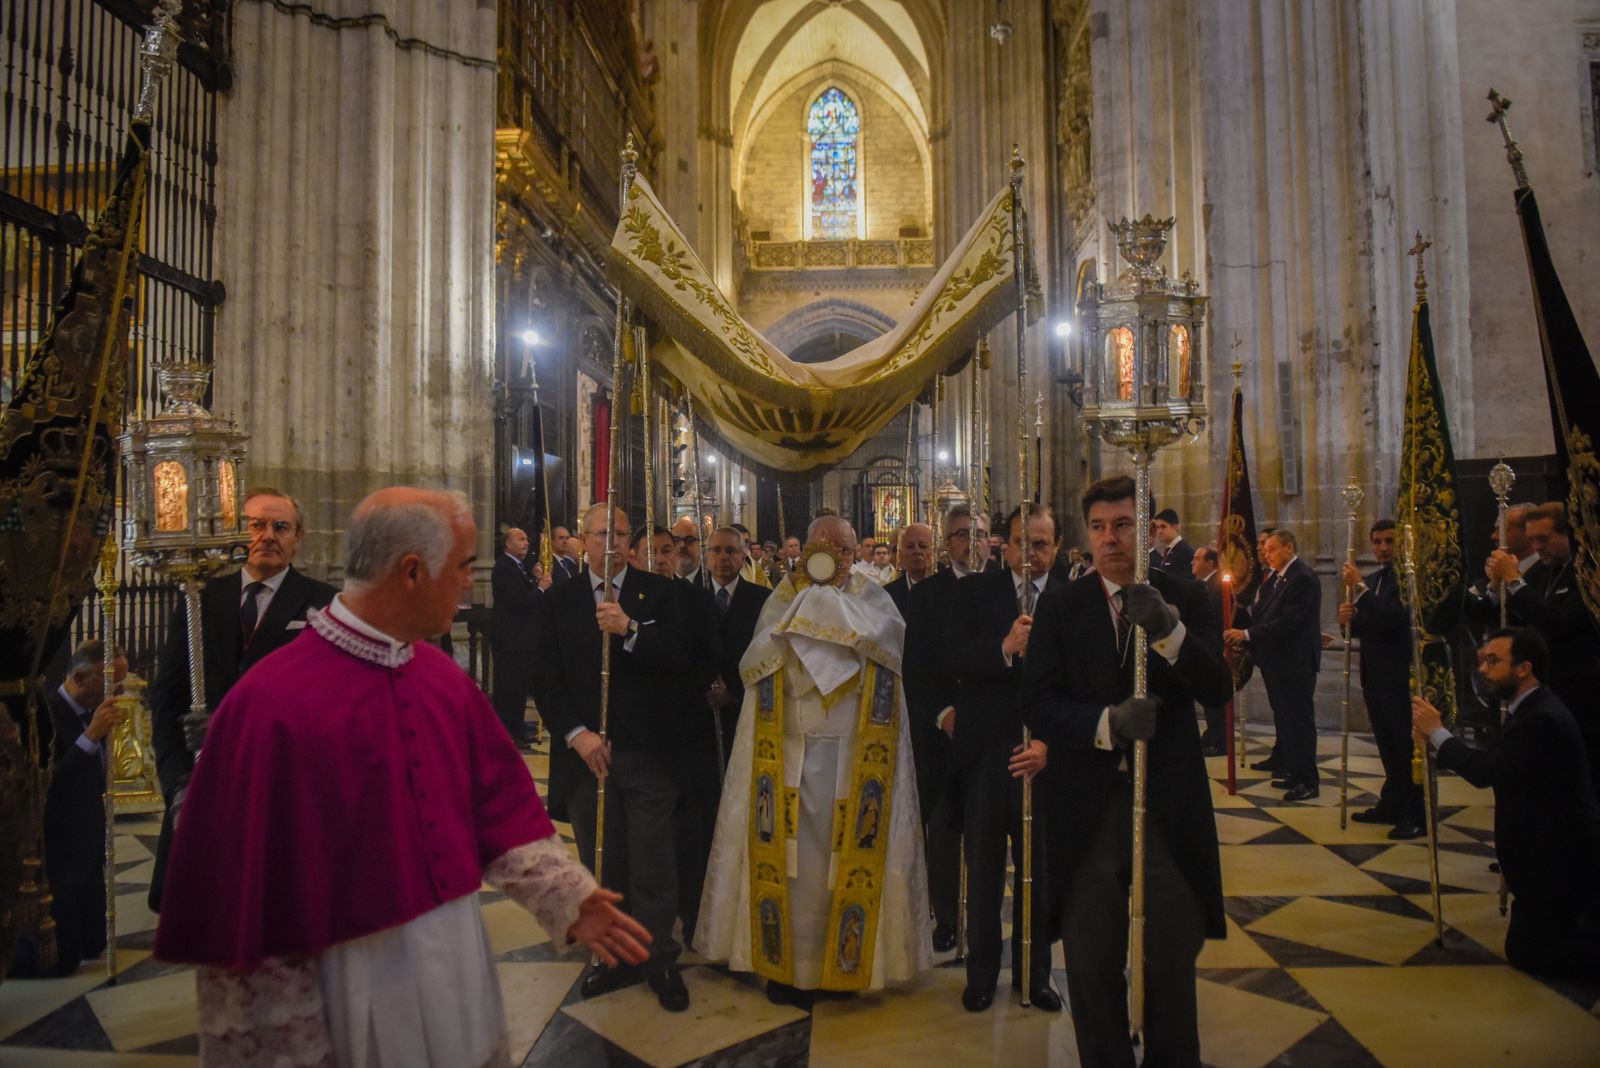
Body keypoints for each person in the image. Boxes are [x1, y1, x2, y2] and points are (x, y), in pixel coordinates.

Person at [154, 488, 650, 1065]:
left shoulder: (439, 677)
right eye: (464, 567)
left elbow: (499, 810)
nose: (471, 584)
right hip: (348, 984)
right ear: (412, 572)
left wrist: (570, 897)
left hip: (453, 958)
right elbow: (243, 915)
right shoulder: (270, 704)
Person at [1024, 476, 1231, 1067]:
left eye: (1123, 525)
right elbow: (1037, 702)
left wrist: (1168, 632)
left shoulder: (1187, 595)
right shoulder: (1062, 604)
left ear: (1146, 529)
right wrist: (1105, 723)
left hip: (1166, 800)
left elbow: (1217, 686)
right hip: (1088, 806)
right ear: (1086, 535)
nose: (1111, 539)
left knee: (1170, 949)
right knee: (1090, 958)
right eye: (1099, 527)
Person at [695, 515, 932, 1008]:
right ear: (805, 555)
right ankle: (789, 970)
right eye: (823, 548)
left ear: (852, 555)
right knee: (794, 866)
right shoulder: (781, 598)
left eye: (843, 550)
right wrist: (799, 621)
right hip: (788, 757)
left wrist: (839, 624)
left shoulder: (872, 597)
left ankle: (843, 968)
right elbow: (757, 662)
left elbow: (892, 649)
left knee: (842, 865)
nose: (835, 558)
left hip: (854, 759)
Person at [531, 504, 692, 1011]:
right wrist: (577, 734)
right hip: (587, 759)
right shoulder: (558, 600)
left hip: (647, 753)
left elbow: (683, 661)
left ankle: (661, 960)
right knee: (602, 865)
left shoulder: (661, 593)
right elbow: (545, 674)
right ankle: (611, 957)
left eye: (621, 533)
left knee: (653, 864)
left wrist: (632, 630)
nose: (612, 542)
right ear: (582, 538)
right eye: (602, 532)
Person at [147, 485, 336, 911]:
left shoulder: (325, 604)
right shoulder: (200, 597)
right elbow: (167, 697)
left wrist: (242, 727)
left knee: (274, 917)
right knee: (209, 921)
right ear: (238, 532)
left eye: (280, 526)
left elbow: (329, 704)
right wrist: (176, 781)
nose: (267, 535)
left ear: (298, 537)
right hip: (202, 785)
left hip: (280, 789)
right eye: (256, 525)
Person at [1413, 628, 1600, 981]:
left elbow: (1485, 772)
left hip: (1560, 861)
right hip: (1540, 860)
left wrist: (1437, 732)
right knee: (1524, 947)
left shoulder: (1542, 718)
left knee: (1535, 954)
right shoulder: (1528, 708)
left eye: (1493, 661)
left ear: (1523, 668)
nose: (1482, 669)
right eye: (1483, 660)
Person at [944, 504, 1065, 1013]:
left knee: (1038, 872)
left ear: (1055, 547)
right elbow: (955, 657)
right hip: (989, 753)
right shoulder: (976, 592)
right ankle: (981, 974)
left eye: (1041, 544)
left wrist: (1051, 745)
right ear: (1003, 545)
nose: (1031, 553)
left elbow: (1082, 679)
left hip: (1043, 755)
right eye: (1022, 542)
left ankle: (1035, 976)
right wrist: (1005, 647)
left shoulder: (1071, 599)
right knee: (987, 868)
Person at [7, 641, 127, 978]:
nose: (118, 690)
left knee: (94, 943)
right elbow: (46, 783)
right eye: (112, 682)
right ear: (80, 677)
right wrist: (90, 736)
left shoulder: (93, 712)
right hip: (56, 843)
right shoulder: (43, 713)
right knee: (63, 961)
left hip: (86, 838)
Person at [900, 506, 979, 955]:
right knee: (945, 828)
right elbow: (919, 666)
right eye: (961, 535)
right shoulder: (927, 595)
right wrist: (945, 714)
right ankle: (946, 916)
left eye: (977, 533)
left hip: (995, 732)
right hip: (943, 731)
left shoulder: (1005, 588)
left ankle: (983, 919)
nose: (970, 542)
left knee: (988, 831)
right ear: (948, 543)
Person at [1486, 502, 1600, 789]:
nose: (1537, 547)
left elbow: (1559, 622)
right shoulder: (1543, 572)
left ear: (1569, 535)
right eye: (1533, 539)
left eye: (1544, 539)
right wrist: (1494, 586)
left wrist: (1513, 581)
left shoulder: (1587, 573)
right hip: (1544, 690)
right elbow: (1517, 618)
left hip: (1580, 690)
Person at [1339, 519, 1422, 838]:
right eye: (1377, 542)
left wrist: (1359, 590)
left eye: (1390, 541)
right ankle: (1392, 802)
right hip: (1374, 675)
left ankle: (1415, 812)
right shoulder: (1374, 580)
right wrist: (1346, 620)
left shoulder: (1407, 580)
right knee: (1387, 745)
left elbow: (1392, 620)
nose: (1383, 548)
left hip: (1402, 676)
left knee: (1405, 746)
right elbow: (1363, 625)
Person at [1227, 529, 1322, 800]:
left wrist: (1247, 635)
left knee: (1299, 721)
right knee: (1285, 720)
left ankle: (1308, 780)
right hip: (1276, 661)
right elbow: (1262, 614)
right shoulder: (1277, 579)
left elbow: (1290, 621)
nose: (1265, 555)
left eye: (1271, 549)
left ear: (1288, 548)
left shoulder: (1302, 578)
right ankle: (1293, 770)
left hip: (1295, 662)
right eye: (1265, 550)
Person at [490, 527, 539, 748]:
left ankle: (517, 725)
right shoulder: (503, 568)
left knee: (519, 686)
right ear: (508, 544)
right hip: (510, 638)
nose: (526, 543)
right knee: (510, 686)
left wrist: (535, 579)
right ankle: (507, 730)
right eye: (521, 539)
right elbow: (518, 603)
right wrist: (541, 589)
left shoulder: (518, 566)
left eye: (526, 539)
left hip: (521, 637)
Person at [1191, 546, 1228, 756]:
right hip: (1205, 647)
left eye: (1197, 559)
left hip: (1214, 648)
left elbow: (1218, 618)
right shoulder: (1204, 585)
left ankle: (1219, 740)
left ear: (1210, 563)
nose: (1192, 563)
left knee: (1215, 695)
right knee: (1207, 695)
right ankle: (1213, 734)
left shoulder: (1217, 586)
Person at [882, 522, 933, 616]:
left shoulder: (950, 588)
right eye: (910, 546)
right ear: (900, 555)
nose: (917, 551)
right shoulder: (888, 595)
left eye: (923, 546)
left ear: (933, 552)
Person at [1151, 508, 1194, 578]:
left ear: (1175, 527)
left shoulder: (1183, 551)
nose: (1159, 531)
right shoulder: (1170, 550)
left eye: (1163, 526)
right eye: (1158, 527)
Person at [671, 515, 707, 588]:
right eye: (676, 540)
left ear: (701, 544)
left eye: (689, 540)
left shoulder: (709, 582)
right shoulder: (663, 582)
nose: (682, 545)